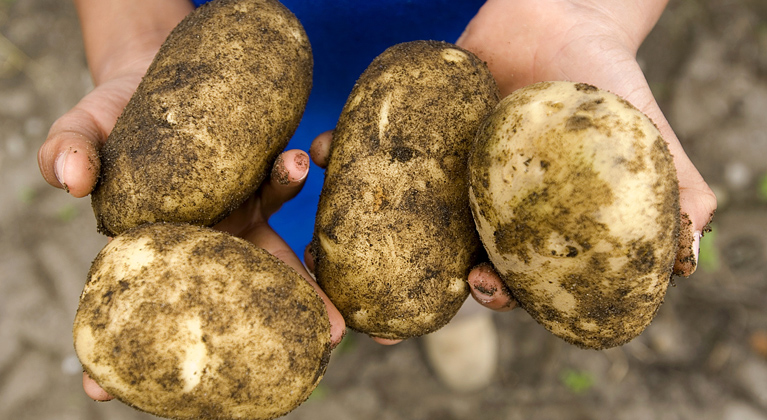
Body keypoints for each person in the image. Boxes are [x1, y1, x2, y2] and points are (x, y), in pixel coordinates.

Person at [39, 0, 717, 400]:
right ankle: (408, 291)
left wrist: (583, 11)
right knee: (296, 189)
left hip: (496, 38)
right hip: (257, 83)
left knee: (460, 245)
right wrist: (134, 41)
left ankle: (460, 308)